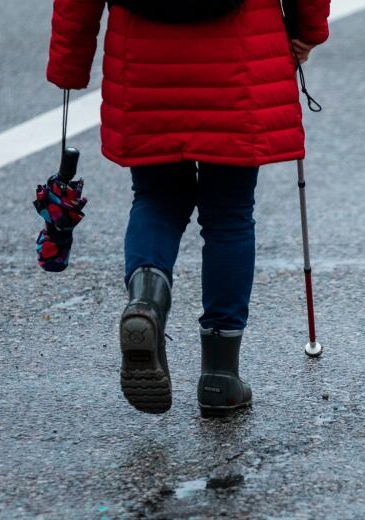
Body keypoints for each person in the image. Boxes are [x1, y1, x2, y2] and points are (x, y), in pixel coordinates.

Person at [46, 0, 330, 416]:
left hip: (144, 60)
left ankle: (146, 300)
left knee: (156, 197)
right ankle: (220, 375)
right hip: (239, 56)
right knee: (229, 214)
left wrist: (69, 63)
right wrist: (308, 28)